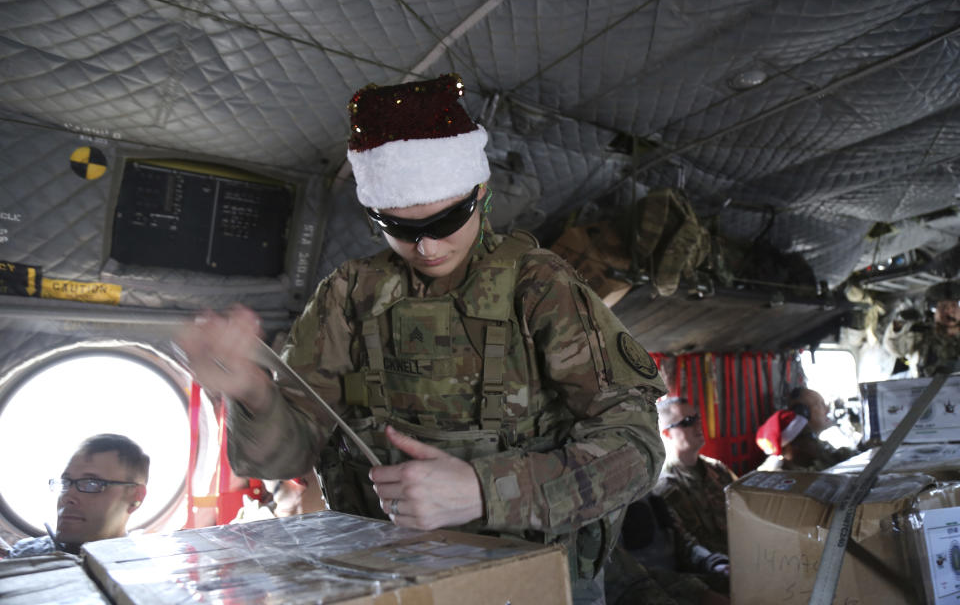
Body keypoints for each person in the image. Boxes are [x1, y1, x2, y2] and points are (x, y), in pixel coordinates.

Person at [176, 73, 667, 604]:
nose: (428, 247)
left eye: (448, 217)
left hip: (532, 579)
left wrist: (484, 491)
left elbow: (637, 449)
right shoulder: (348, 295)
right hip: (391, 576)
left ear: (481, 194)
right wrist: (254, 394)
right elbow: (280, 459)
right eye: (400, 227)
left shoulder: (540, 286)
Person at [6, 433, 149, 558]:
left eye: (91, 484)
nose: (67, 497)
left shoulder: (142, 574)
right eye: (65, 482)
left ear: (136, 497)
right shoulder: (23, 554)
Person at [651, 398, 735, 571]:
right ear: (667, 434)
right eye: (687, 422)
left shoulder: (717, 470)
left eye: (697, 418)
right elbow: (683, 546)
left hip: (740, 559)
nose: (698, 425)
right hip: (709, 573)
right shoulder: (663, 486)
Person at [784, 386, 855, 469]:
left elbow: (837, 457)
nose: (827, 409)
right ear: (803, 413)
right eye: (821, 404)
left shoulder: (816, 444)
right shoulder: (800, 452)